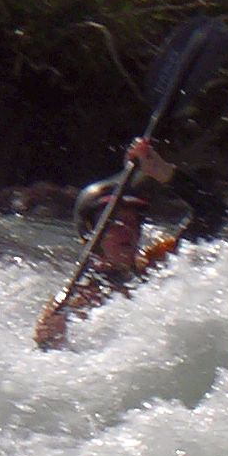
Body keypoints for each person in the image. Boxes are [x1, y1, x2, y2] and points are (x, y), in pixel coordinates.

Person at [33, 138, 182, 350]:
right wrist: (52, 341)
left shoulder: (155, 262)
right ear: (89, 232)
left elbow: (213, 215)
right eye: (114, 222)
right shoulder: (72, 303)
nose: (127, 229)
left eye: (132, 221)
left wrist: (165, 173)